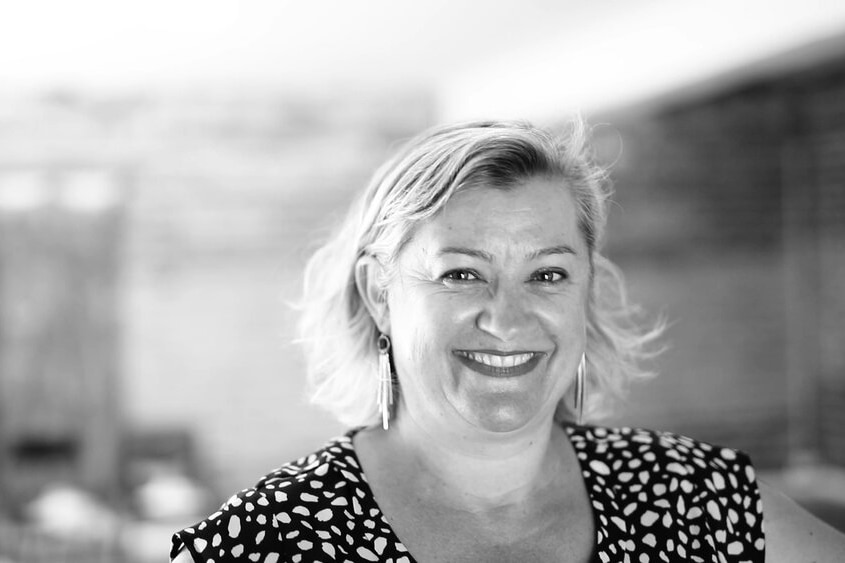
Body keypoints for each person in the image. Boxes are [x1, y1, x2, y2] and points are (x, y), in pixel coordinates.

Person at [171, 120, 845, 562]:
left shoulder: (701, 502)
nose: (507, 316)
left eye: (547, 273)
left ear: (585, 289)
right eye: (461, 273)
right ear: (380, 292)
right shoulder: (262, 542)